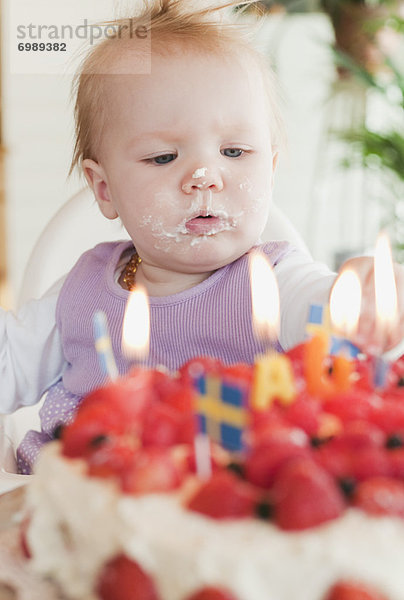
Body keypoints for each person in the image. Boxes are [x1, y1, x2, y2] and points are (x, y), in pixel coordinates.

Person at [1, 0, 403, 473]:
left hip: (222, 516)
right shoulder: (81, 288)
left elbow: (326, 319)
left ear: (269, 171)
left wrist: (362, 298)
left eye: (234, 150)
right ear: (104, 189)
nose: (205, 175)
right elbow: (10, 363)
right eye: (163, 157)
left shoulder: (275, 280)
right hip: (74, 520)